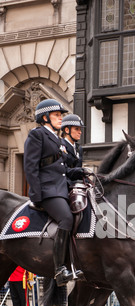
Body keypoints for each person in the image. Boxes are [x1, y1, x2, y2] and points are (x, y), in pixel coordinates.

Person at [23, 99, 86, 287]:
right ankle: (59, 269)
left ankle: (73, 262)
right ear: (45, 117)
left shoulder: (58, 139)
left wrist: (83, 172)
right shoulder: (37, 134)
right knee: (66, 219)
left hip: (61, 187)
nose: (61, 119)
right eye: (57, 115)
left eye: (60, 115)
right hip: (48, 190)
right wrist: (36, 194)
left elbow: (63, 169)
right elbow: (30, 166)